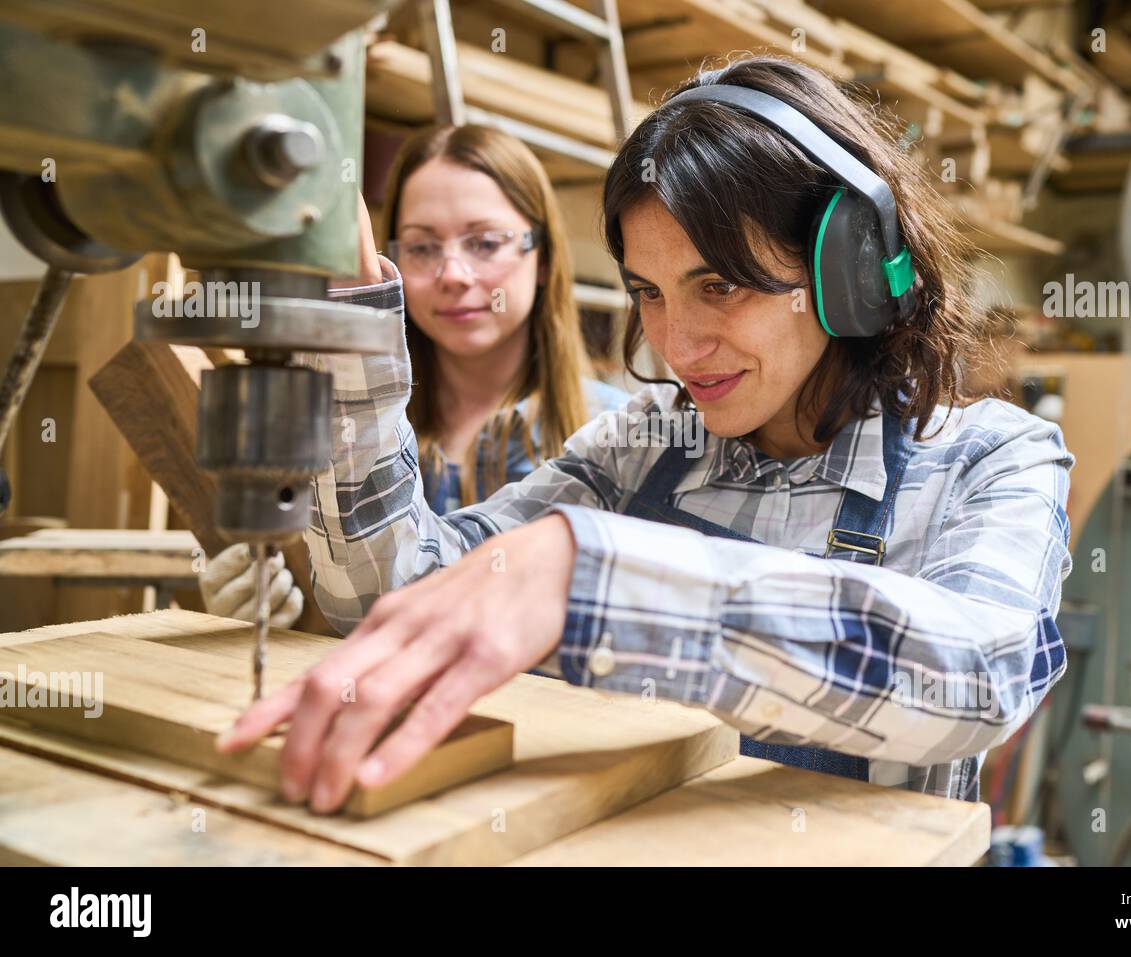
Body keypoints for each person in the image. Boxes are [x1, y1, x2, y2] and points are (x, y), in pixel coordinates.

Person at [218, 55, 1075, 818]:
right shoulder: (644, 445)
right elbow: (391, 598)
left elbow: (979, 673)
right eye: (649, 292)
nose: (677, 344)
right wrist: (351, 326)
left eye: (719, 286)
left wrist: (601, 578)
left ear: (847, 270)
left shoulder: (990, 458)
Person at [198, 126, 627, 627]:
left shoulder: (615, 436)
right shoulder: (335, 431)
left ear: (543, 260)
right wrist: (261, 607)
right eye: (422, 248)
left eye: (485, 243)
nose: (453, 274)